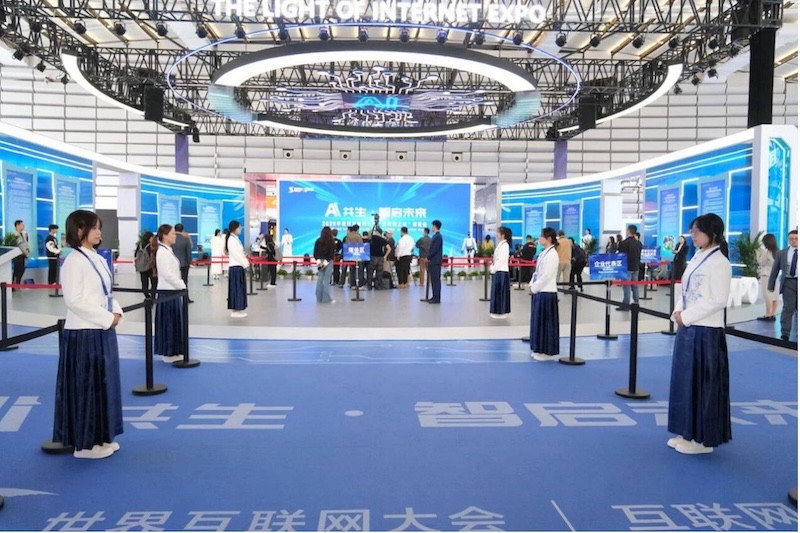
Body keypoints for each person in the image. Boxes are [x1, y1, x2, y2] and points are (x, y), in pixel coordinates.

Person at [54, 210, 123, 459]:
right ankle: (85, 445)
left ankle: (101, 437)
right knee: (88, 388)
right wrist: (107, 318)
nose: (99, 232)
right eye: (94, 227)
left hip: (101, 329)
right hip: (85, 333)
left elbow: (106, 292)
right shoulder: (74, 261)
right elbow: (74, 301)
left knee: (104, 385)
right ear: (79, 230)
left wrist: (116, 312)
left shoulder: (96, 257)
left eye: (99, 227)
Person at [667, 213, 732, 455]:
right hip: (689, 328)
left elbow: (718, 300)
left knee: (702, 385)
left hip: (706, 332)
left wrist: (687, 315)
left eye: (697, 231)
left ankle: (702, 439)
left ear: (712, 233)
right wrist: (679, 311)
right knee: (685, 382)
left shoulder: (720, 262)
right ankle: (686, 430)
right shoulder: (697, 256)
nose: (693, 235)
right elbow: (686, 290)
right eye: (692, 230)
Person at [152, 224, 187, 364]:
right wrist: (181, 285)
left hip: (172, 291)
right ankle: (168, 352)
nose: (175, 236)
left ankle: (174, 351)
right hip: (168, 292)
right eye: (172, 233)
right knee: (169, 323)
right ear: (165, 236)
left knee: (174, 322)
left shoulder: (167, 250)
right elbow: (167, 274)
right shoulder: (163, 252)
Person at [528, 227, 559, 361]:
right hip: (540, 291)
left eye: (542, 236)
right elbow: (537, 273)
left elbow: (546, 276)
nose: (539, 238)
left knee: (546, 324)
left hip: (547, 292)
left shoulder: (552, 255)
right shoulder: (543, 253)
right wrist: (532, 284)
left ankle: (547, 351)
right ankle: (538, 348)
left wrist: (534, 288)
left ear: (549, 239)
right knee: (538, 323)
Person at [768, 229, 798, 341]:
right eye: (791, 239)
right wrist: (771, 285)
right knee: (788, 308)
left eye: (796, 239)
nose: (794, 241)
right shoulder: (782, 253)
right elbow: (775, 270)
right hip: (788, 282)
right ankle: (785, 333)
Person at [225, 221, 249, 318]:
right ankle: (235, 310)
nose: (241, 229)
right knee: (236, 289)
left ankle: (238, 309)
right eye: (239, 227)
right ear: (235, 228)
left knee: (240, 288)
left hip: (239, 266)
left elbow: (240, 253)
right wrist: (245, 263)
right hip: (236, 266)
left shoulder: (236, 239)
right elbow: (236, 255)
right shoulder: (231, 240)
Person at [617, 224, 643, 310]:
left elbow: (621, 256)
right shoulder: (639, 243)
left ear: (628, 231)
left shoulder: (624, 243)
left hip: (627, 267)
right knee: (635, 286)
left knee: (626, 286)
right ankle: (636, 303)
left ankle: (626, 304)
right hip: (636, 267)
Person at [489, 226, 512, 319]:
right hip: (498, 271)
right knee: (497, 292)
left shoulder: (505, 246)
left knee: (500, 293)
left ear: (503, 235)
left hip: (501, 271)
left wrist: (493, 268)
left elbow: (501, 260)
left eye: (498, 233)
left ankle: (501, 312)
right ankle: (496, 311)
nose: (496, 234)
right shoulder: (501, 245)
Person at [756, 233, 779, 321]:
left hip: (766, 275)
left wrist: (758, 254)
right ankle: (773, 314)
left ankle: (768, 315)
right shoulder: (778, 251)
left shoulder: (766, 252)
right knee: (774, 296)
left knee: (768, 295)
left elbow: (761, 262)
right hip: (775, 275)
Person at [313, 226, 336, 304]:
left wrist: (319, 261)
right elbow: (331, 254)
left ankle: (319, 298)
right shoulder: (331, 242)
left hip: (320, 261)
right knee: (326, 280)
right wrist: (326, 262)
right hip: (328, 262)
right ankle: (326, 299)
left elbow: (315, 253)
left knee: (320, 279)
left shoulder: (318, 241)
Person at [172, 223, 194, 304]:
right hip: (184, 263)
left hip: (173, 264)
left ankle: (173, 298)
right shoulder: (185, 239)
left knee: (173, 281)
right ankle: (185, 298)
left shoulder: (171, 239)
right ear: (183, 230)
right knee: (184, 281)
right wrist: (189, 262)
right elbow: (189, 252)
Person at [135, 231, 155, 298]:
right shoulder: (150, 245)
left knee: (144, 283)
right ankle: (152, 297)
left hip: (142, 266)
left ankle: (147, 296)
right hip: (150, 267)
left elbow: (136, 254)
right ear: (150, 237)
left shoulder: (140, 245)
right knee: (154, 283)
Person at [427, 220, 443, 304]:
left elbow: (434, 249)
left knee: (436, 280)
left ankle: (437, 298)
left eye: (432, 226)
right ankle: (434, 296)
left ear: (435, 226)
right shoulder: (436, 236)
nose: (431, 227)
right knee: (433, 280)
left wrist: (428, 257)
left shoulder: (438, 237)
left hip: (435, 261)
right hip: (433, 261)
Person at [12, 219, 29, 287]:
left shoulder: (24, 234)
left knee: (22, 269)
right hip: (18, 255)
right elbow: (17, 245)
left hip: (24, 255)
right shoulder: (14, 234)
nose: (23, 226)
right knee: (17, 270)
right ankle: (14, 284)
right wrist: (23, 252)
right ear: (17, 225)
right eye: (22, 225)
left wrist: (27, 250)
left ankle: (18, 284)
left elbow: (26, 243)